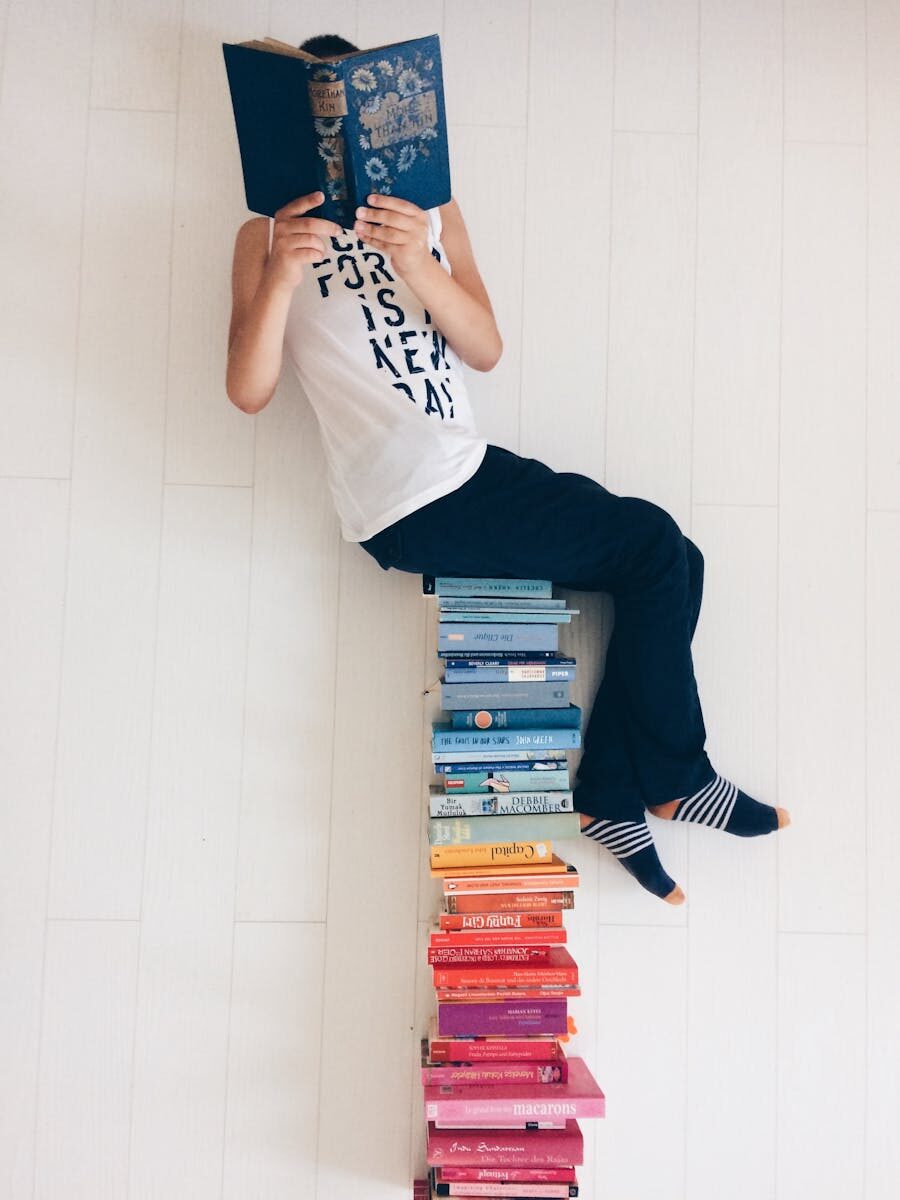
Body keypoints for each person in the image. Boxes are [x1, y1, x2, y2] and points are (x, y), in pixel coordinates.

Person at [226, 32, 791, 905]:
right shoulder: (265, 237)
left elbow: (483, 348)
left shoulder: (433, 213)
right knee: (650, 545)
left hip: (465, 467)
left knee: (678, 560)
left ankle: (613, 791)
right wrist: (282, 277)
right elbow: (249, 391)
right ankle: (677, 773)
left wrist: (415, 257)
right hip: (409, 497)